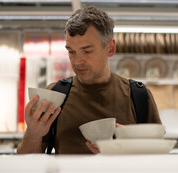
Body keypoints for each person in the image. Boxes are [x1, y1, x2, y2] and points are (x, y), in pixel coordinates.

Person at [17, 6, 161, 154]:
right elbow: (26, 164)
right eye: (71, 52)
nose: (77, 61)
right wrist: (33, 135)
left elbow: (159, 159)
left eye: (87, 51)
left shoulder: (138, 96)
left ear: (110, 48)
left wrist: (131, 144)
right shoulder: (55, 95)